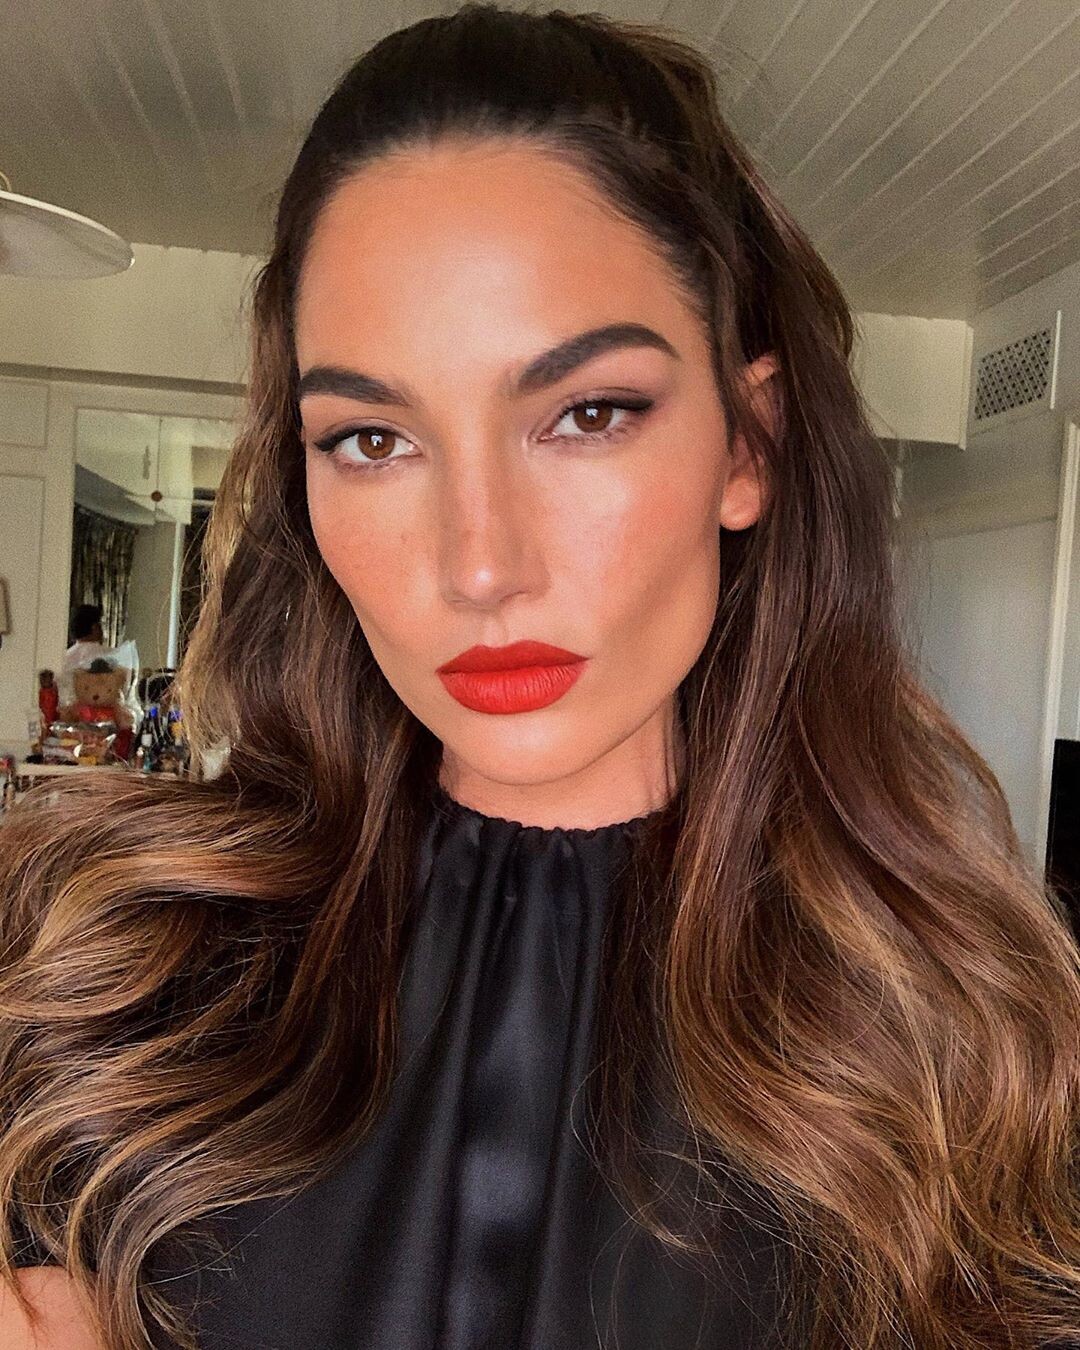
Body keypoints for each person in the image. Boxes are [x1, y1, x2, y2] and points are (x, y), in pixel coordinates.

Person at [1, 5, 1079, 1349]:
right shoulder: (122, 978)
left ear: (746, 447)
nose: (480, 565)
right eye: (373, 439)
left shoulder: (966, 1052)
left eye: (588, 413)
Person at [57, 603, 108, 705]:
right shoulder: (112, 655)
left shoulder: (62, 658)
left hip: (67, 712)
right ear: (95, 627)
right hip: (103, 712)